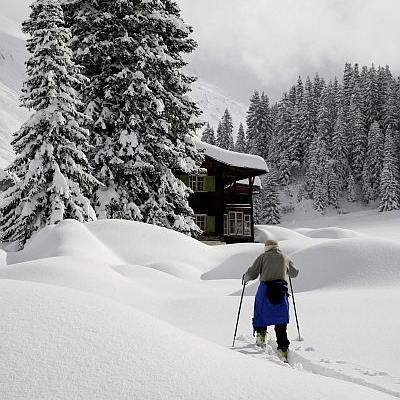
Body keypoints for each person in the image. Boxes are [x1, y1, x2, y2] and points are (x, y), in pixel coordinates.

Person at [242, 239, 299, 360]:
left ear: (266, 248)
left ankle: (261, 336)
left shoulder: (263, 257)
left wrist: (246, 277)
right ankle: (283, 348)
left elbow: (252, 273)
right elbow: (294, 273)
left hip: (265, 290)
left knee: (260, 313)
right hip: (281, 291)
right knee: (281, 319)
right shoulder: (285, 257)